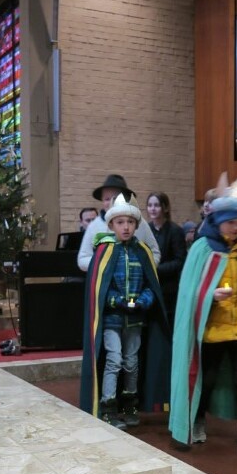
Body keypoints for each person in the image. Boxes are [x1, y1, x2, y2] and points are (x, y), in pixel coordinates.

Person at [169, 176, 237, 463]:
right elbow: (188, 292)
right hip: (212, 330)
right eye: (230, 223)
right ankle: (197, 419)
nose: (236, 228)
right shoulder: (203, 248)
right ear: (218, 220)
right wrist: (209, 295)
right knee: (207, 380)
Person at [80, 192, 169, 428]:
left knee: (131, 362)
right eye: (120, 222)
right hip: (112, 319)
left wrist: (143, 301)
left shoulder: (143, 251)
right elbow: (99, 288)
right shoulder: (104, 251)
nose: (126, 227)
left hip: (135, 319)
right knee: (114, 360)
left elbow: (151, 285)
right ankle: (108, 407)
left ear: (137, 225)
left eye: (130, 222)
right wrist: (116, 301)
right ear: (111, 225)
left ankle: (130, 404)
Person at [77, 174, 160, 272]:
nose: (111, 202)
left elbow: (155, 252)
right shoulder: (94, 226)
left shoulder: (140, 223)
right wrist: (103, 264)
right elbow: (82, 259)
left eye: (116, 197)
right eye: (107, 199)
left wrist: (143, 269)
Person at [146, 191, 186, 322]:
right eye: (150, 205)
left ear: (165, 208)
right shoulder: (145, 229)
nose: (152, 209)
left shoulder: (175, 231)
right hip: (150, 286)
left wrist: (156, 269)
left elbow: (180, 261)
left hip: (169, 288)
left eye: (156, 205)